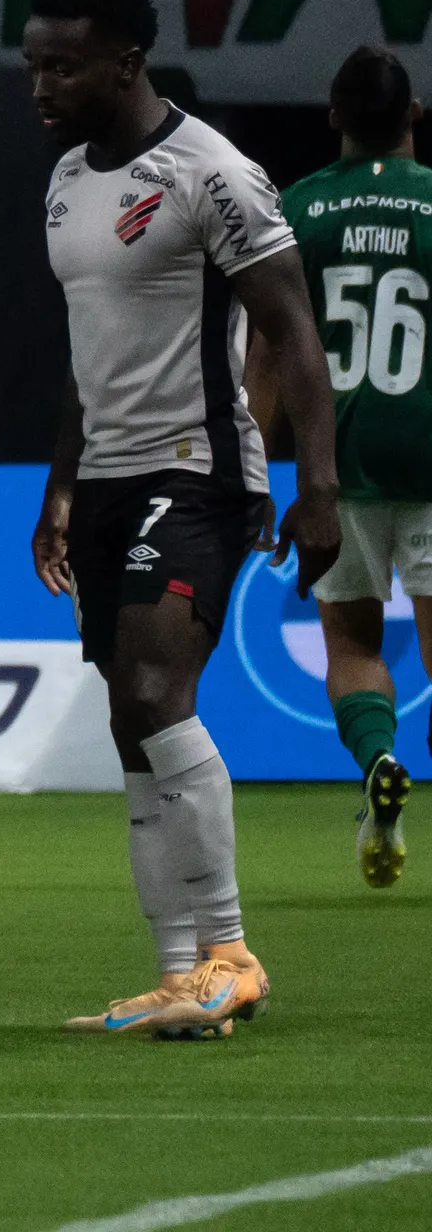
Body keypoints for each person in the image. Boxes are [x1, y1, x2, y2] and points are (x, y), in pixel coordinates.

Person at [24, 0, 338, 1036]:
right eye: (33, 64)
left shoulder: (216, 173)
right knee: (128, 715)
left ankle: (230, 950)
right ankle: (177, 977)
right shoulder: (67, 179)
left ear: (126, 59)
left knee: (156, 686)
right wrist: (59, 485)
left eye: (61, 64)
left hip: (197, 468)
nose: (41, 83)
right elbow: (82, 349)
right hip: (106, 479)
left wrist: (316, 482)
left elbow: (295, 331)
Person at [263, 45, 425, 887]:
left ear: (332, 116)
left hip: (341, 461)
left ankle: (377, 768)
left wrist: (256, 465)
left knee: (354, 642)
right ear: (415, 115)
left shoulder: (298, 209)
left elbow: (268, 350)